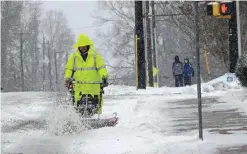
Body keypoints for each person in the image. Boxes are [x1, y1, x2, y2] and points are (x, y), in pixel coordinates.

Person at [64, 33, 109, 115]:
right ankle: (80, 118)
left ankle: (93, 117)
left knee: (94, 104)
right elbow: (69, 69)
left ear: (88, 46)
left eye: (84, 46)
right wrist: (67, 78)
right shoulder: (74, 57)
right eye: (81, 47)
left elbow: (101, 68)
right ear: (78, 47)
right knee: (79, 105)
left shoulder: (95, 56)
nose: (83, 48)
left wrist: (104, 77)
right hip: (79, 87)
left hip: (93, 87)